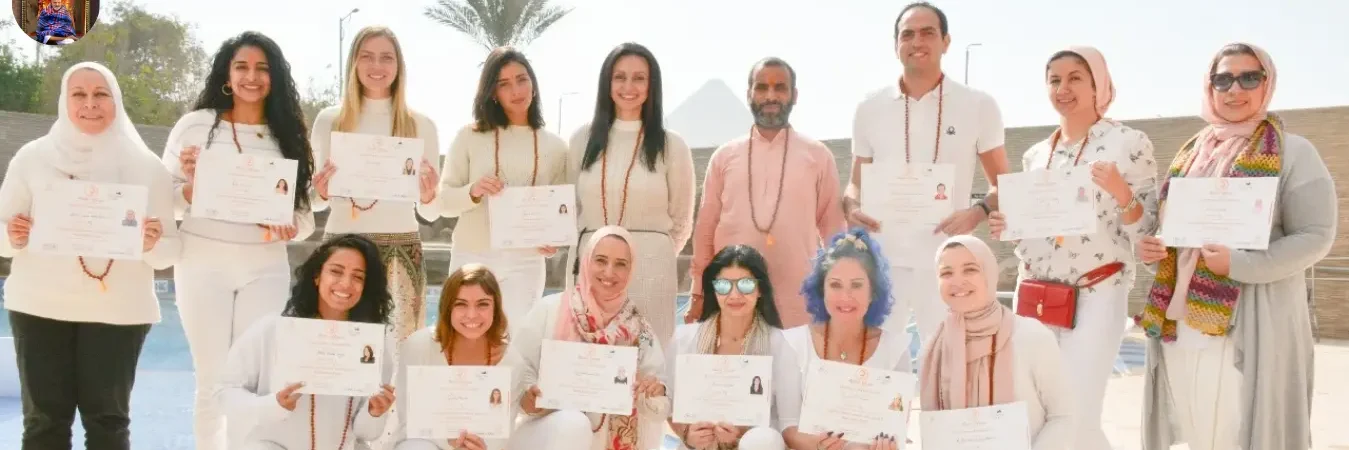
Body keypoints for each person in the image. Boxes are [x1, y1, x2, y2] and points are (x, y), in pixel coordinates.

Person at [1136, 43, 1334, 450]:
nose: (1234, 89)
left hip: (1253, 320)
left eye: (1249, 77)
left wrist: (1237, 264)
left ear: (1268, 84)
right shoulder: (1191, 153)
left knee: (1239, 427)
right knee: (1195, 423)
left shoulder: (1294, 152)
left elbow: (1315, 236)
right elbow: (1172, 232)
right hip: (1185, 319)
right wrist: (1156, 251)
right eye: (1222, 78)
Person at [0, 62, 179, 450]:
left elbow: (171, 249)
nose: (90, 104)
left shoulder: (147, 168)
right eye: (79, 94)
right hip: (39, 307)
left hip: (119, 312)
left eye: (101, 94)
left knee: (108, 423)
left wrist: (151, 243)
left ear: (116, 100)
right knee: (44, 422)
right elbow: (1, 236)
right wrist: (12, 234)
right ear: (65, 101)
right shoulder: (32, 159)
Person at [986, 46, 1157, 450]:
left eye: (1076, 77)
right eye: (1055, 79)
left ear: (1099, 84)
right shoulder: (1035, 155)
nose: (1064, 88)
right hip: (1037, 296)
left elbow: (1147, 230)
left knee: (1077, 410)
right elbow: (1032, 238)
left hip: (1098, 292)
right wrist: (1008, 227)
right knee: (1040, 409)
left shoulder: (1129, 142)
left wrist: (1120, 190)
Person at [161, 31, 317, 450]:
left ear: (275, 78)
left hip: (264, 267)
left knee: (253, 378)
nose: (252, 77)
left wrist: (287, 226)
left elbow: (304, 219)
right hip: (200, 263)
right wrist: (191, 189)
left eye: (262, 68)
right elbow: (165, 203)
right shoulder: (195, 127)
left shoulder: (289, 136)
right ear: (227, 75)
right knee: (211, 376)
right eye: (242, 67)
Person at [844, 2, 1011, 358]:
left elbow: (1004, 184)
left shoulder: (978, 105)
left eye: (927, 32)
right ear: (896, 45)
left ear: (946, 41)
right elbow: (854, 184)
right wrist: (852, 206)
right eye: (908, 34)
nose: (917, 41)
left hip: (948, 266)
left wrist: (977, 212)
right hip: (884, 264)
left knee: (950, 369)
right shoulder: (868, 107)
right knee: (877, 370)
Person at [310, 26, 442, 350]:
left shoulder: (420, 124)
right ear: (353, 63)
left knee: (399, 357)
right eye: (367, 57)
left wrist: (427, 194)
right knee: (337, 352)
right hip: (342, 248)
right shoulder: (330, 121)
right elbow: (313, 202)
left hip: (402, 251)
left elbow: (431, 210)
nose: (377, 66)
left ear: (399, 66)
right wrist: (322, 191)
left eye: (386, 58)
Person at [690, 57, 846, 328]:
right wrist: (697, 292)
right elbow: (705, 231)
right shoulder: (724, 157)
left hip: (798, 305)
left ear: (794, 95)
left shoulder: (818, 156)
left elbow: (834, 233)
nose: (770, 96)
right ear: (749, 94)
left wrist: (839, 294)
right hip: (732, 300)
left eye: (780, 87)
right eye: (761, 88)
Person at [215, 234, 398, 450]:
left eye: (358, 277)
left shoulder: (373, 346)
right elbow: (224, 394)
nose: (346, 283)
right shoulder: (272, 330)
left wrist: (373, 413)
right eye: (336, 271)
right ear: (317, 276)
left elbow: (365, 434)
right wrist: (273, 405)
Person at [567, 42, 695, 348]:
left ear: (652, 86)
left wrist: (647, 255)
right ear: (607, 82)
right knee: (585, 363)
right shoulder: (581, 139)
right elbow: (570, 209)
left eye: (639, 78)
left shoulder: (672, 145)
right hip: (591, 266)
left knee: (649, 367)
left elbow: (681, 221)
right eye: (620, 77)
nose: (629, 86)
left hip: (651, 270)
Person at [503, 226, 669, 450]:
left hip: (607, 442)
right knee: (574, 425)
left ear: (631, 269)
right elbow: (516, 370)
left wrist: (652, 391)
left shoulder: (638, 327)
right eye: (600, 260)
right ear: (586, 261)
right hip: (548, 436)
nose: (609, 272)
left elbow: (660, 405)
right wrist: (529, 398)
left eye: (621, 264)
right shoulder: (550, 310)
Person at [438, 47, 568, 328]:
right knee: (463, 338)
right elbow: (443, 201)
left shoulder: (556, 147)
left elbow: (562, 210)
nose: (516, 90)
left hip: (527, 263)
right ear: (492, 92)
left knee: (516, 346)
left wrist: (553, 238)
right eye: (504, 84)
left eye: (522, 79)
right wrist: (473, 190)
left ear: (533, 84)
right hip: (472, 256)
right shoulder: (468, 137)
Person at [921, 235, 1073, 449]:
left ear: (990, 274)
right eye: (946, 273)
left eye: (970, 269)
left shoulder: (1030, 336)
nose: (957, 281)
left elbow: (1064, 416)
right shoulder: (933, 349)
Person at [665, 244, 804, 450]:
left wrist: (743, 437)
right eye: (724, 285)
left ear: (759, 290)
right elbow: (668, 404)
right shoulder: (684, 338)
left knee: (763, 439)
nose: (734, 295)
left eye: (746, 284)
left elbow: (789, 422)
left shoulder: (779, 344)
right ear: (714, 289)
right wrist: (687, 434)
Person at [782, 229, 909, 449]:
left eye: (857, 285)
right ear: (821, 290)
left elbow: (896, 429)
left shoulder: (896, 350)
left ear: (873, 293)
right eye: (835, 285)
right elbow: (787, 426)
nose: (845, 297)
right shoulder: (794, 343)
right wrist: (815, 444)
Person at [393, 263, 511, 450]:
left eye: (483, 304)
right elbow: (408, 424)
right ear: (447, 308)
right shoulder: (418, 346)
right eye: (461, 304)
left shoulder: (512, 359)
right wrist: (447, 441)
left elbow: (504, 435)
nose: (471, 315)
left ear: (495, 308)